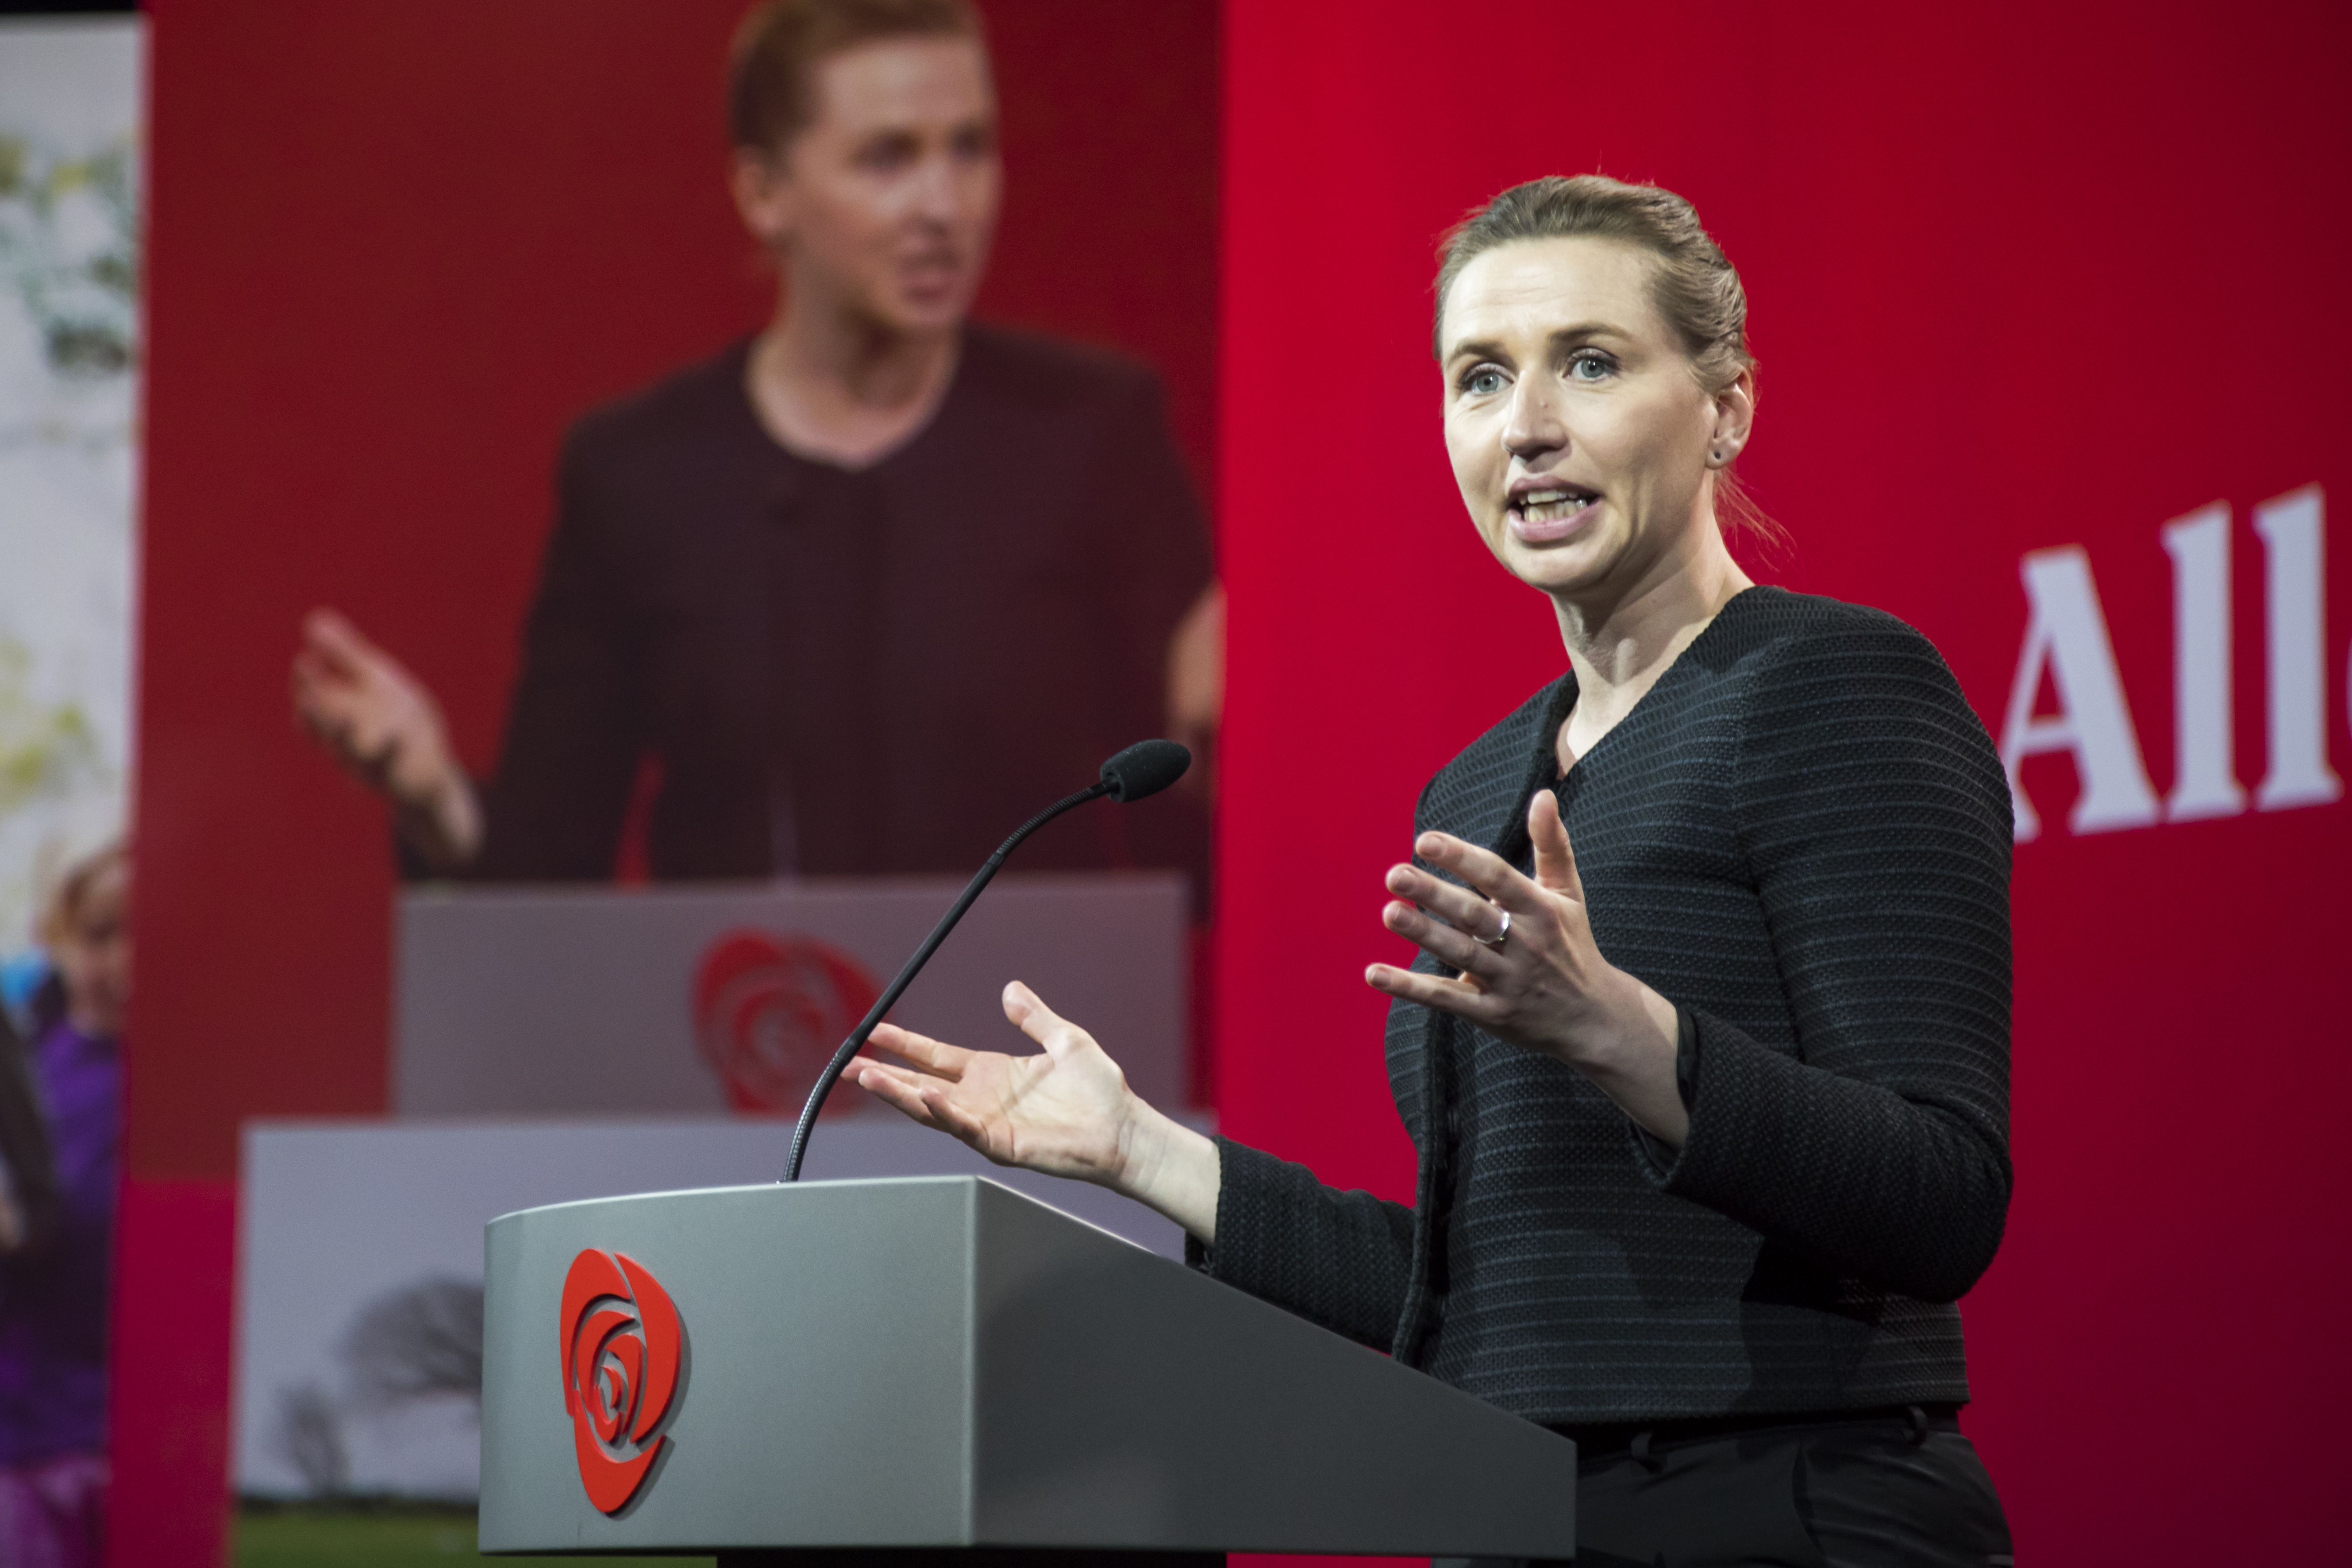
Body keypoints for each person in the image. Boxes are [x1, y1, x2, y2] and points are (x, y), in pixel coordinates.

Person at [850, 175, 2016, 1566]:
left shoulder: (1835, 689)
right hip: (1505, 1509)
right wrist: (1139, 1153)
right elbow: (1479, 1293)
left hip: (1784, 1510)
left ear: (1726, 408)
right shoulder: (1477, 787)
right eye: (1479, 378)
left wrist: (1626, 1035)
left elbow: (1943, 1197)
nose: (1525, 427)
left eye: (1588, 363)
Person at [292, 0, 1217, 885]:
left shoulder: (1093, 436)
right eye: (889, 158)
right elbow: (548, 872)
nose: (946, 205)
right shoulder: (639, 474)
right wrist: (433, 796)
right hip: (751, 1029)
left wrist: (1234, 749)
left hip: (1037, 1029)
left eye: (970, 148)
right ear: (764, 191)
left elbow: (1184, 836)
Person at [0, 841, 127, 1568]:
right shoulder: (35, 1058)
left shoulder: (188, 1079)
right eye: (100, 934)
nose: (121, 961)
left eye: (145, 931)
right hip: (31, 1435)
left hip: (138, 1427)